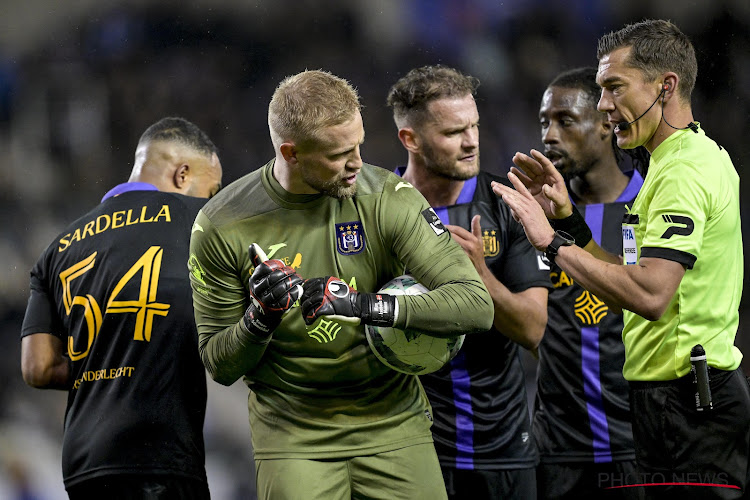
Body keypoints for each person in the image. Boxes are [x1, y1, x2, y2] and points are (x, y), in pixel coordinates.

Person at [187, 69, 494, 500]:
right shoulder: (221, 225)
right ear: (291, 153)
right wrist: (260, 319)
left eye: (359, 145)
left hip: (394, 424)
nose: (357, 163)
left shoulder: (387, 196)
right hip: (293, 438)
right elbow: (220, 365)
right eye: (338, 154)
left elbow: (475, 306)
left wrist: (364, 305)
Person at [493, 19, 750, 499]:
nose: (606, 105)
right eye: (601, 89)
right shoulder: (680, 161)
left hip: (688, 401)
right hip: (672, 401)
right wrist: (568, 223)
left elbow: (651, 294)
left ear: (665, 86)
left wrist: (552, 243)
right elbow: (629, 273)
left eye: (614, 87)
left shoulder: (682, 172)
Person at [20, 117, 223, 498]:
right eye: (209, 191)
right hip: (161, 455)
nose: (209, 202)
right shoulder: (197, 222)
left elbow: (38, 367)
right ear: (182, 175)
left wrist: (106, 366)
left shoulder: (59, 247)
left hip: (83, 460)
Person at [385, 65, 550, 500]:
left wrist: (479, 278)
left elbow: (533, 329)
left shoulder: (507, 204)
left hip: (503, 447)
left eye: (475, 126)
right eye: (455, 131)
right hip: (410, 449)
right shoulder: (376, 212)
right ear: (411, 140)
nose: (472, 141)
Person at [533, 66, 644, 499]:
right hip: (557, 448)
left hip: (640, 441)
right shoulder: (534, 215)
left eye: (564, 120)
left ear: (604, 125)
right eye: (544, 121)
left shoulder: (649, 203)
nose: (549, 135)